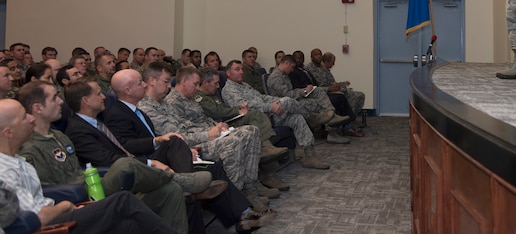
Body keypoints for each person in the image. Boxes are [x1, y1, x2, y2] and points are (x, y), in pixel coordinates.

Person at [16, 81, 197, 233]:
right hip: (75, 199)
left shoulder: (60, 136)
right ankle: (178, 179)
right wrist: (70, 200)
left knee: (169, 191)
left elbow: (79, 170)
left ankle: (176, 184)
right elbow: (41, 192)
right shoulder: (29, 148)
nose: (61, 102)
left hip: (91, 187)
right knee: (126, 166)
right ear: (38, 108)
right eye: (54, 98)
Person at [139, 62, 278, 231]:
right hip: (189, 147)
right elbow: (177, 136)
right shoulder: (151, 106)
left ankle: (250, 192)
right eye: (167, 82)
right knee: (236, 141)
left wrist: (216, 127)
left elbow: (188, 124)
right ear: (152, 81)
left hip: (194, 140)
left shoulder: (163, 103)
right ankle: (241, 201)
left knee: (251, 131)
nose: (170, 86)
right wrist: (209, 134)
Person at [223, 60, 332, 169]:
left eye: (242, 69)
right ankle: (311, 118)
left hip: (270, 114)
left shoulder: (244, 85)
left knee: (296, 118)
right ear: (228, 73)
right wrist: (271, 107)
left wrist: (276, 102)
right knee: (287, 101)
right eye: (237, 69)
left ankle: (310, 156)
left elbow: (262, 97)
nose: (241, 72)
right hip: (259, 120)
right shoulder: (229, 90)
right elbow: (245, 108)